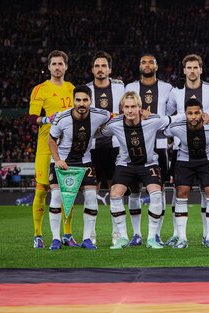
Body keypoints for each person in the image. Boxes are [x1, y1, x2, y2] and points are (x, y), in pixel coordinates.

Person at [98, 91, 182, 249]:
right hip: (125, 164)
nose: (130, 110)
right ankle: (124, 237)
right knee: (115, 195)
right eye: (126, 107)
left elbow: (175, 118)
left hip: (149, 164)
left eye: (133, 106)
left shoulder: (152, 120)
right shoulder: (115, 124)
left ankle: (151, 238)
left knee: (156, 194)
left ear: (140, 108)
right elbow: (97, 132)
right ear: (122, 109)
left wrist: (204, 117)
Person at [165, 54, 209, 246]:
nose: (192, 71)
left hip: (206, 150)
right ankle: (180, 236)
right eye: (188, 68)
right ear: (184, 70)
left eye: (195, 67)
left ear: (201, 69)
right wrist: (181, 120)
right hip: (183, 150)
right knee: (180, 193)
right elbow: (167, 117)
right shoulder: (175, 92)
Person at [47, 85, 112, 250]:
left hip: (85, 161)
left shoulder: (101, 114)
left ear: (90, 101)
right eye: (78, 100)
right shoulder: (62, 118)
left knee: (91, 197)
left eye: (85, 100)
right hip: (62, 162)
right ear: (73, 101)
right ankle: (55, 239)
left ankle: (86, 239)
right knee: (56, 197)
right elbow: (51, 140)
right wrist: (57, 159)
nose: (81, 103)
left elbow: (116, 117)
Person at [28, 50, 76, 249]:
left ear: (66, 66)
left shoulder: (72, 88)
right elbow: (32, 118)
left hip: (67, 147)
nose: (57, 67)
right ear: (48, 67)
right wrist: (47, 119)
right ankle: (38, 234)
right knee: (42, 190)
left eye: (60, 64)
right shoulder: (40, 89)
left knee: (67, 191)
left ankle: (67, 234)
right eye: (54, 64)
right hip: (45, 147)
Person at [125, 53, 173, 247]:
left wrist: (152, 117)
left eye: (150, 62)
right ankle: (136, 235)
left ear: (156, 66)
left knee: (158, 192)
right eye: (143, 62)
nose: (147, 65)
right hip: (134, 145)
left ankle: (156, 234)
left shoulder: (167, 88)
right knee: (134, 190)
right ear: (139, 65)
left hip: (160, 146)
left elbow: (169, 117)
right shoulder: (130, 88)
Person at [86, 51, 126, 246]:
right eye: (97, 66)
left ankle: (117, 234)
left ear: (110, 69)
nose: (100, 69)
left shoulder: (120, 89)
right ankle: (90, 235)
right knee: (91, 191)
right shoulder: (85, 90)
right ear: (92, 69)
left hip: (115, 148)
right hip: (91, 148)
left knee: (115, 190)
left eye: (103, 66)